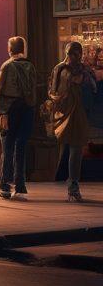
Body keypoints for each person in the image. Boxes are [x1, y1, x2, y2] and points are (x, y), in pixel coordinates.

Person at [48, 41, 97, 203]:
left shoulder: (84, 70)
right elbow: (52, 90)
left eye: (77, 53)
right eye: (72, 53)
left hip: (80, 113)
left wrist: (83, 80)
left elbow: (93, 88)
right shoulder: (59, 68)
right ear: (67, 53)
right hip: (63, 113)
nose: (75, 56)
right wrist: (58, 99)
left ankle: (73, 185)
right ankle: (66, 180)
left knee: (76, 150)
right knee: (66, 149)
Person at [0, 36, 36, 200]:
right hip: (27, 110)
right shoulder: (30, 66)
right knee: (21, 147)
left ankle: (5, 185)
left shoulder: (7, 65)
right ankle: (20, 185)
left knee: (7, 147)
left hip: (9, 110)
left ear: (10, 49)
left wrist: (0, 111)